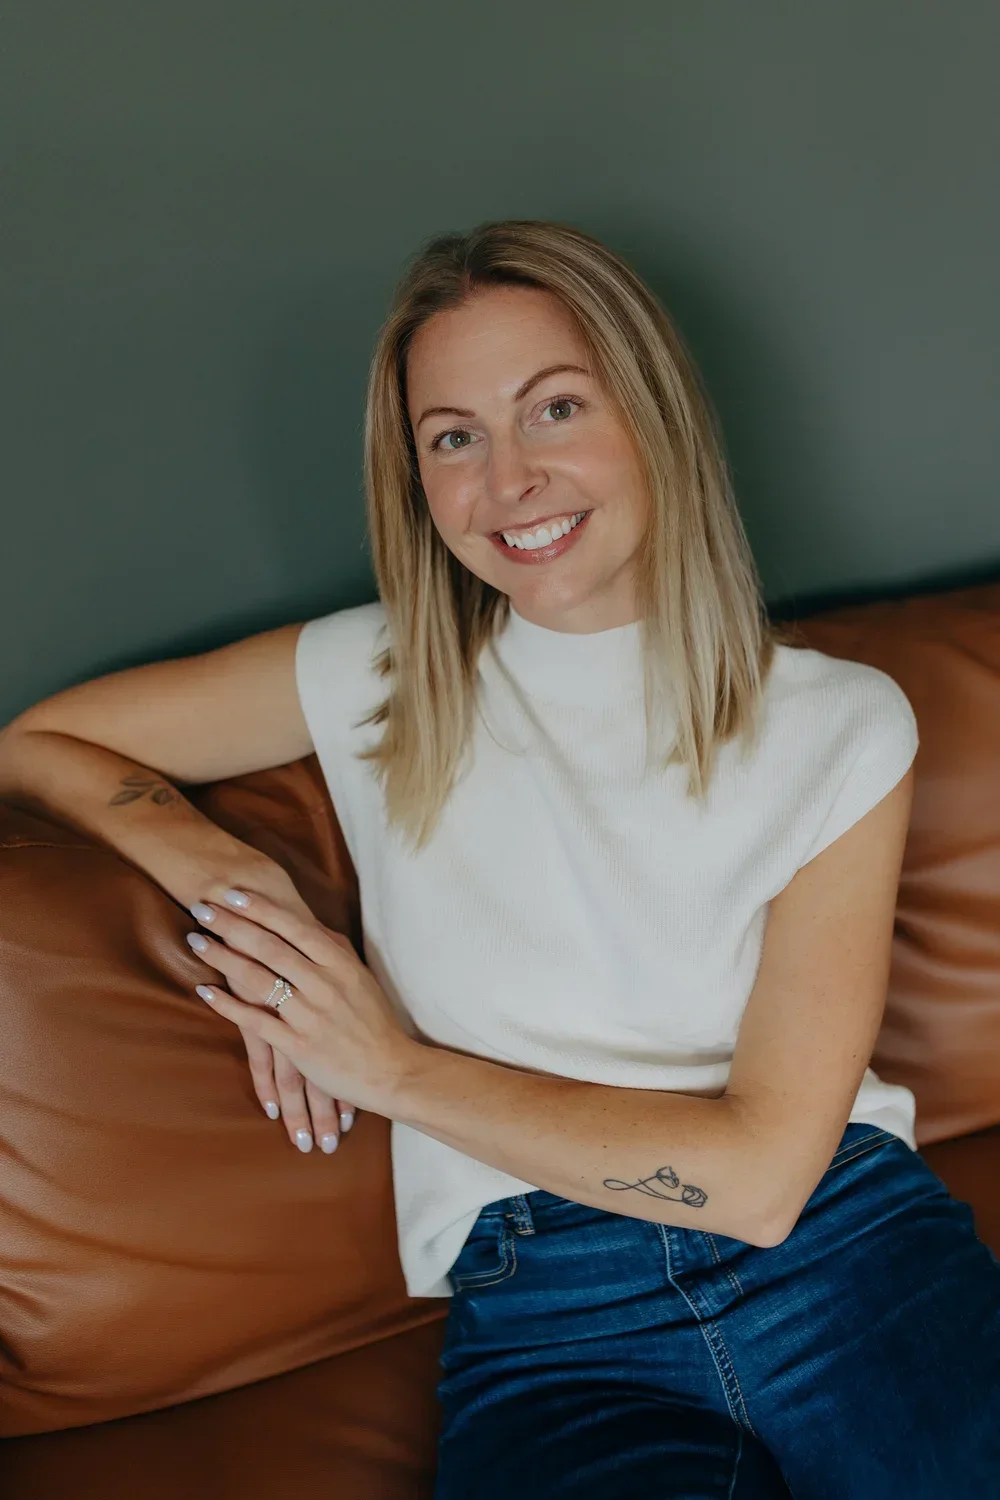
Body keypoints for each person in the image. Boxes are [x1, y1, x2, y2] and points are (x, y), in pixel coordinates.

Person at [2, 218, 999, 1498]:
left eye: (555, 408)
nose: (509, 480)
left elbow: (757, 1180)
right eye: (454, 437)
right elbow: (46, 741)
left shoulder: (838, 725)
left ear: (652, 416)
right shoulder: (379, 673)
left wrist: (392, 1070)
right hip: (551, 1326)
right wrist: (222, 873)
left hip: (844, 1256)